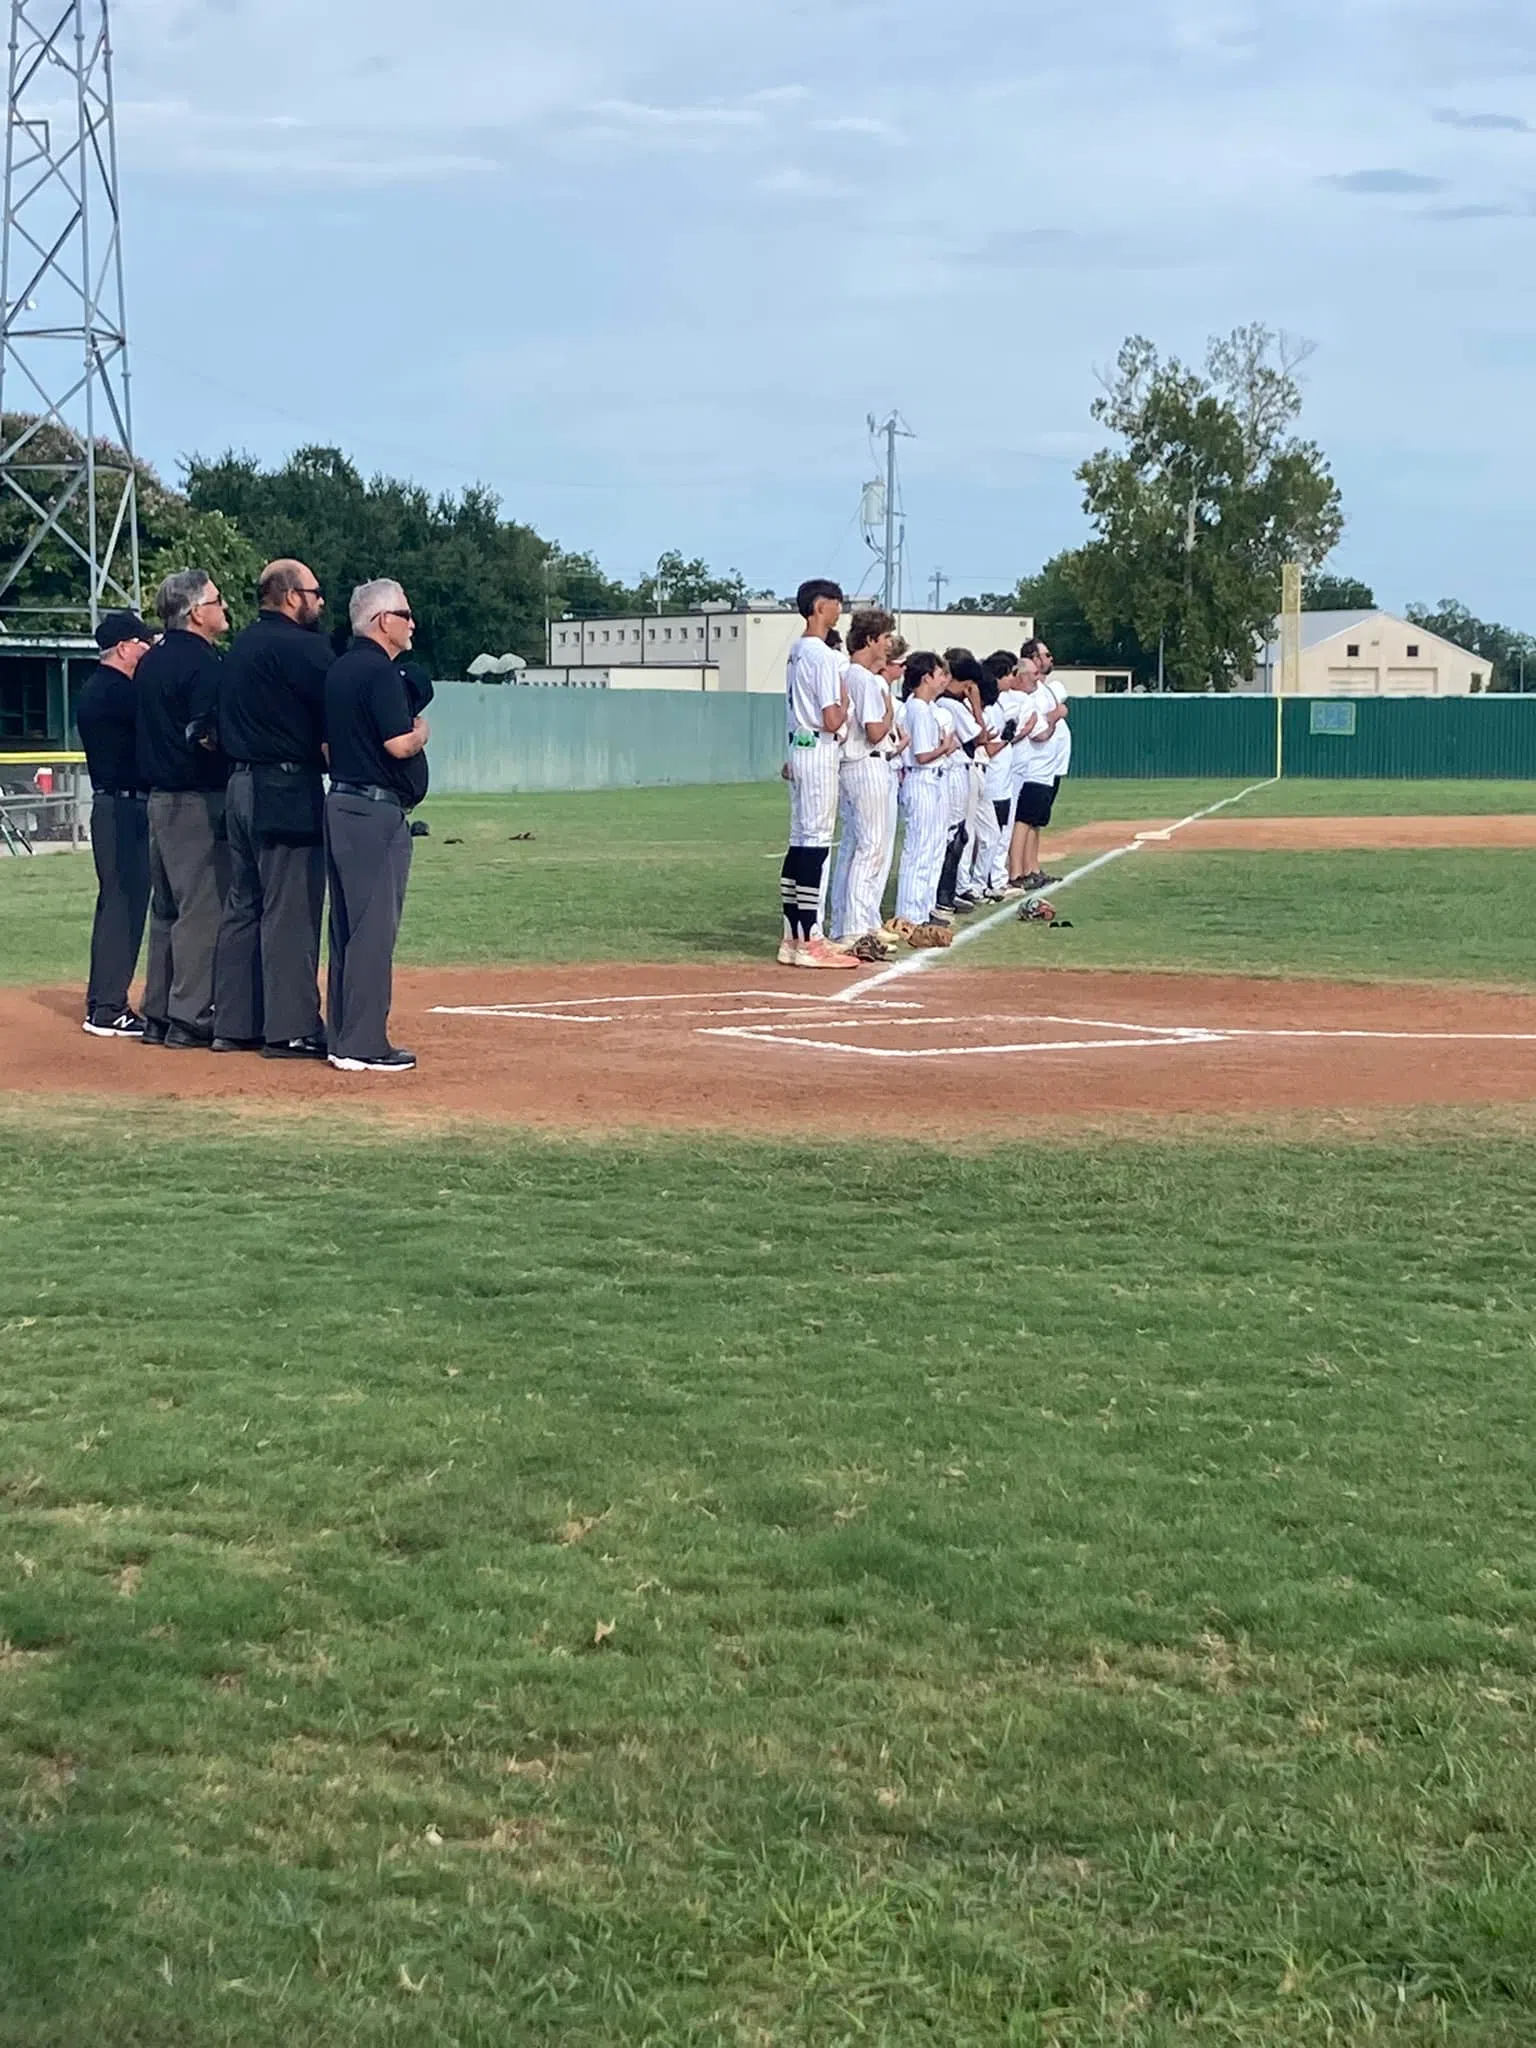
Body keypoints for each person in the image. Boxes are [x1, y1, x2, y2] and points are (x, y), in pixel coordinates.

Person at [212, 559, 334, 1058]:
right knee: (290, 910)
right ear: (290, 597)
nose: (321, 601)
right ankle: (290, 1028)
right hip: (283, 787)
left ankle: (234, 1024)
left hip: (237, 786)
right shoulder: (303, 648)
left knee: (242, 907)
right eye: (314, 592)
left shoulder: (238, 647)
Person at [322, 580, 428, 1073]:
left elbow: (324, 747)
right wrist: (422, 731)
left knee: (345, 924)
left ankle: (342, 1033)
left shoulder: (338, 669)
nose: (412, 624)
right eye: (405, 614)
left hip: (340, 803)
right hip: (374, 810)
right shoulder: (380, 672)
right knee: (372, 928)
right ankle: (362, 1043)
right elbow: (398, 745)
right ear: (382, 620)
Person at [135, 569, 231, 1049]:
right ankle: (191, 1013)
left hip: (157, 798)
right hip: (196, 797)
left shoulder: (149, 661)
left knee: (166, 908)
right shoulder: (204, 663)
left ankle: (158, 1012)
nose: (223, 608)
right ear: (196, 613)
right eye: (216, 601)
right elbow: (206, 732)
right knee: (201, 908)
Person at [75, 611, 157, 1037]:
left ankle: (103, 1000)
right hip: (124, 807)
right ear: (124, 647)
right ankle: (107, 1007)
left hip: (110, 805)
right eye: (143, 644)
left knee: (115, 904)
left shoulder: (94, 688)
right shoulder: (119, 693)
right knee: (124, 905)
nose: (149, 651)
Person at [779, 577, 857, 969]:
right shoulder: (823, 656)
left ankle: (794, 934)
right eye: (835, 603)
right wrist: (845, 706)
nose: (839, 609)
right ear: (819, 606)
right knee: (816, 841)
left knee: (800, 838)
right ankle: (809, 938)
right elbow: (831, 718)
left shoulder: (796, 651)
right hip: (819, 748)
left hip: (799, 746)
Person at [828, 607, 898, 957]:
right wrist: (888, 712)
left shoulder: (846, 672)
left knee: (856, 846)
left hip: (849, 765)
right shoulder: (867, 679)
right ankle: (856, 927)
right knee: (871, 847)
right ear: (870, 639)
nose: (888, 645)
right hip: (866, 764)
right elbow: (874, 731)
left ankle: (849, 923)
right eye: (884, 638)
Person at [892, 652, 956, 943]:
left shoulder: (926, 708)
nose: (942, 679)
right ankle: (910, 913)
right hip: (921, 779)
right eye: (938, 673)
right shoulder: (917, 708)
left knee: (933, 848)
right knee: (919, 849)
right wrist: (944, 747)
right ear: (926, 676)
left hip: (934, 780)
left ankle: (924, 907)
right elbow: (920, 755)